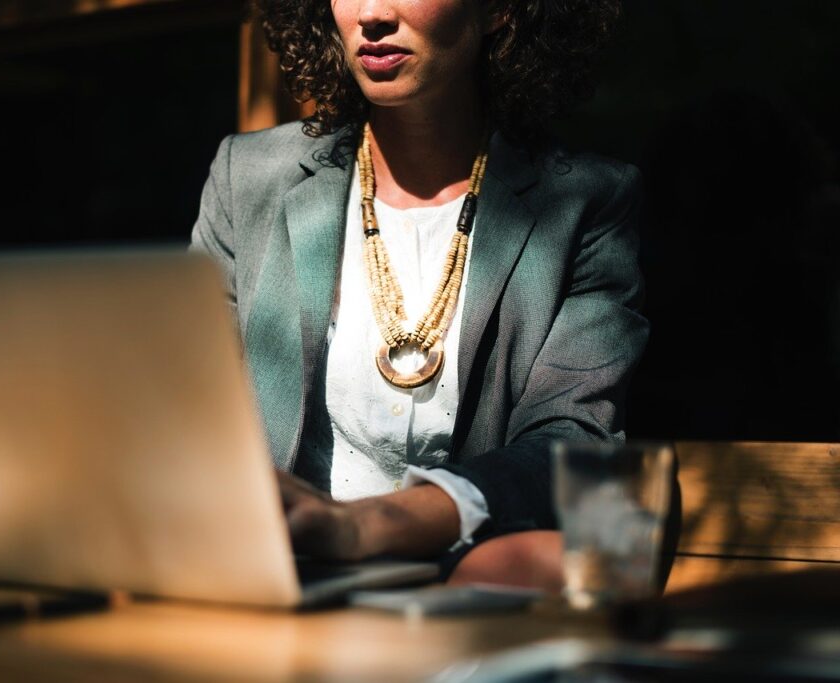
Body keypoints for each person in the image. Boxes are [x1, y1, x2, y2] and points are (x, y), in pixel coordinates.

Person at [191, 0, 646, 591]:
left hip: (475, 585)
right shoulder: (247, 177)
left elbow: (573, 442)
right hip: (276, 578)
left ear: (499, 11)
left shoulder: (587, 202)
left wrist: (368, 525)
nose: (372, 13)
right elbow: (193, 405)